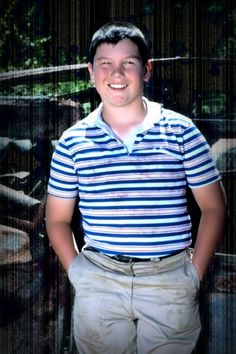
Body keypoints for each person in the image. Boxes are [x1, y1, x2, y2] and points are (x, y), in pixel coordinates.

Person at [46, 22, 227, 354]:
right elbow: (56, 218)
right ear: (91, 71)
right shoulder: (72, 142)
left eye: (128, 62)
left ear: (146, 70)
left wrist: (194, 274)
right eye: (105, 63)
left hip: (169, 276)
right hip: (100, 276)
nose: (117, 72)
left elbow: (214, 207)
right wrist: (77, 272)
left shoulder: (181, 130)